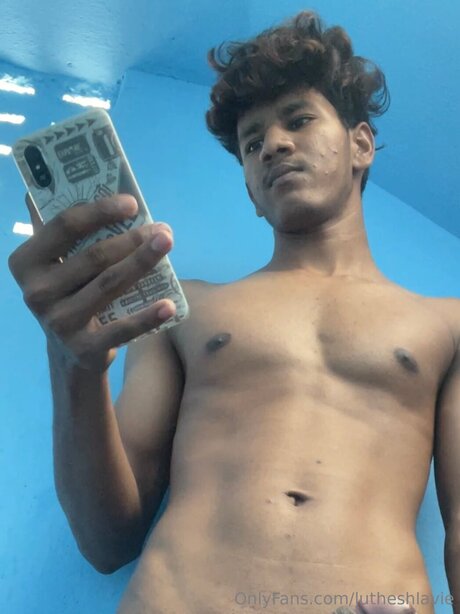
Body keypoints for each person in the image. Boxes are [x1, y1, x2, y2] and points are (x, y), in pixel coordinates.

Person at [8, 10, 459, 614]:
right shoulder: (180, 310)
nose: (273, 144)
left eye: (299, 119)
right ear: (251, 192)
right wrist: (73, 367)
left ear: (361, 145)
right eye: (252, 143)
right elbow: (106, 541)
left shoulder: (448, 324)